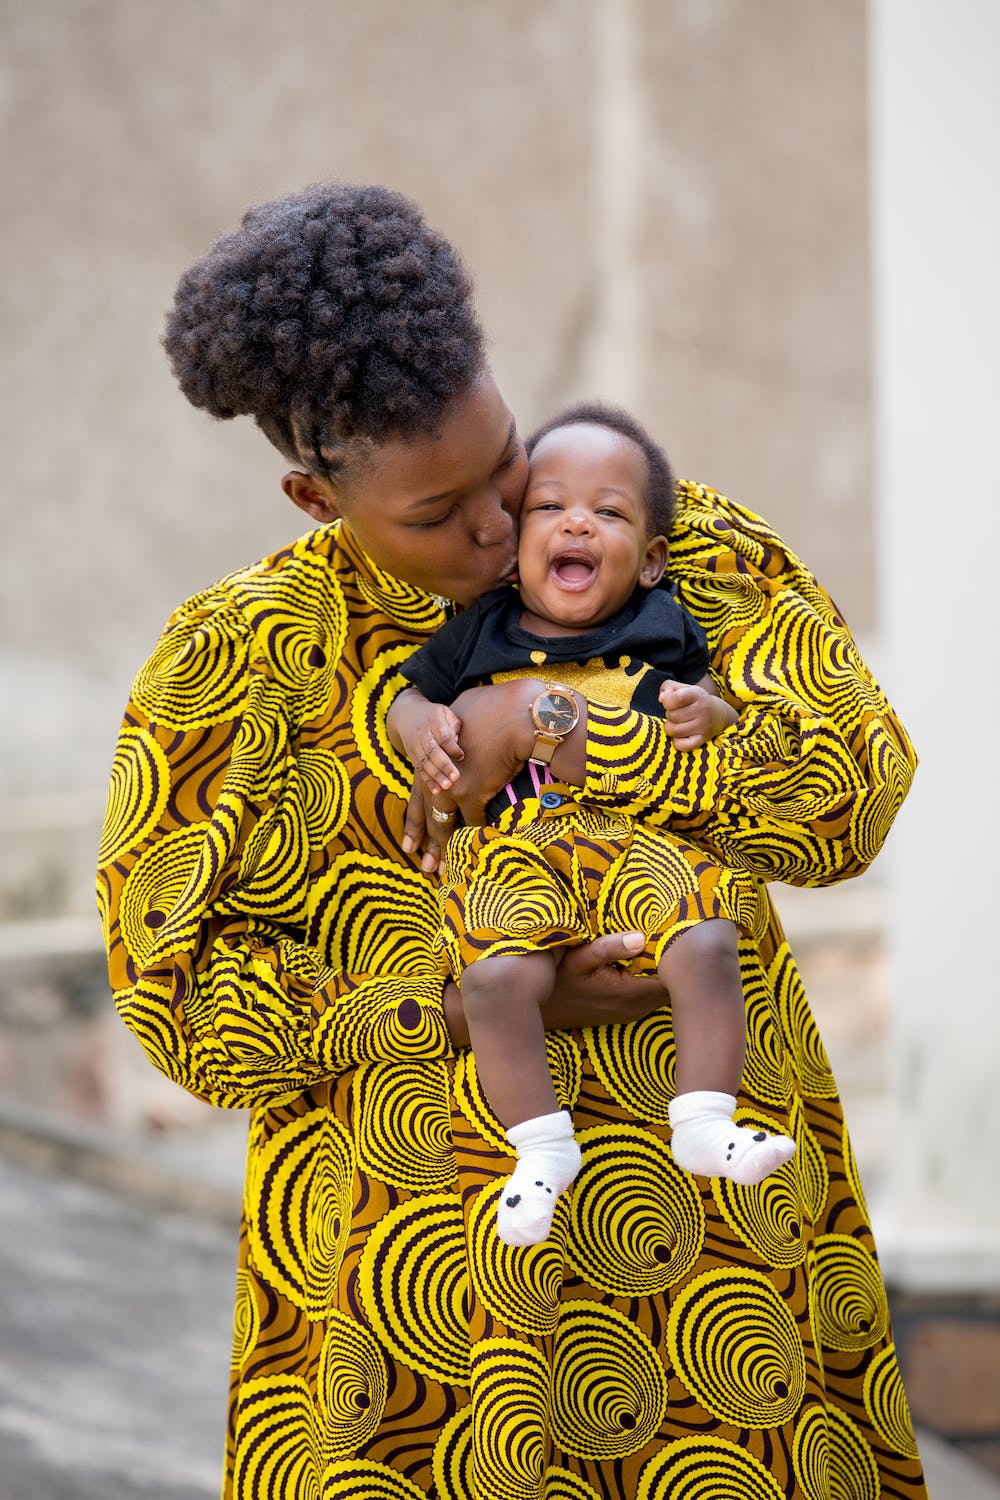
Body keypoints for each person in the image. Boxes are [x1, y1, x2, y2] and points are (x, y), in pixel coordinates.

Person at [97, 182, 928, 1500]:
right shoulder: (240, 665)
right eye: (439, 514)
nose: (500, 532)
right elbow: (175, 994)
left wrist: (626, 753)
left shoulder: (677, 552)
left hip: (714, 1283)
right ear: (313, 495)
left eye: (506, 466)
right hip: (423, 1316)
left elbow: (856, 797)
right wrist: (460, 1004)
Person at [387, 403, 796, 1247]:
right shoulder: (480, 631)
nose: (577, 520)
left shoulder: (665, 625)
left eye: (607, 512)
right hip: (515, 852)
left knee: (710, 939)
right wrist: (421, 728)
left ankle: (706, 1116)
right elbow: (405, 695)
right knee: (497, 981)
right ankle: (540, 1149)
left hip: (633, 843)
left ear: (650, 562)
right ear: (513, 542)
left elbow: (718, 708)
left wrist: (708, 711)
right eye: (549, 506)